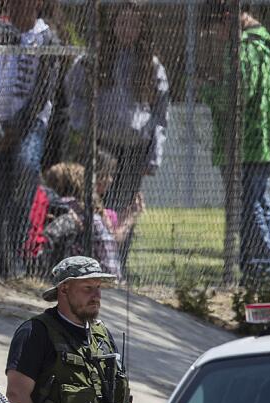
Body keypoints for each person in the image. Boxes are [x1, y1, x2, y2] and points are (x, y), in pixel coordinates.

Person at [65, 0, 167, 274]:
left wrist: (154, 156)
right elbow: (74, 93)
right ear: (113, 25)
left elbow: (160, 116)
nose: (127, 29)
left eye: (134, 24)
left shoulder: (152, 66)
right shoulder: (95, 60)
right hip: (104, 147)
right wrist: (83, 127)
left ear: (142, 27)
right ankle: (94, 264)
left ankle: (116, 267)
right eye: (122, 23)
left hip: (136, 148)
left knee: (125, 208)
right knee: (100, 206)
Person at [6, 256, 136, 403]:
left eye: (98, 287)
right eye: (87, 288)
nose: (96, 296)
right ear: (64, 289)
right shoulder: (35, 333)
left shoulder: (102, 337)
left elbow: (120, 401)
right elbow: (17, 393)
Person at [201, 1, 270, 287]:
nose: (216, 36)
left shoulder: (245, 47)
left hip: (246, 141)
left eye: (216, 28)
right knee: (257, 203)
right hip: (261, 138)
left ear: (227, 18)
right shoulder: (267, 41)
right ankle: (257, 268)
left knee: (249, 206)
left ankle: (267, 269)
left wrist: (209, 91)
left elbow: (239, 94)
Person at [0, 0, 61, 279]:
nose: (15, 6)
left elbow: (43, 91)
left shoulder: (46, 38)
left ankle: (17, 251)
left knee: (26, 167)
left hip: (29, 125)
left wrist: (16, 128)